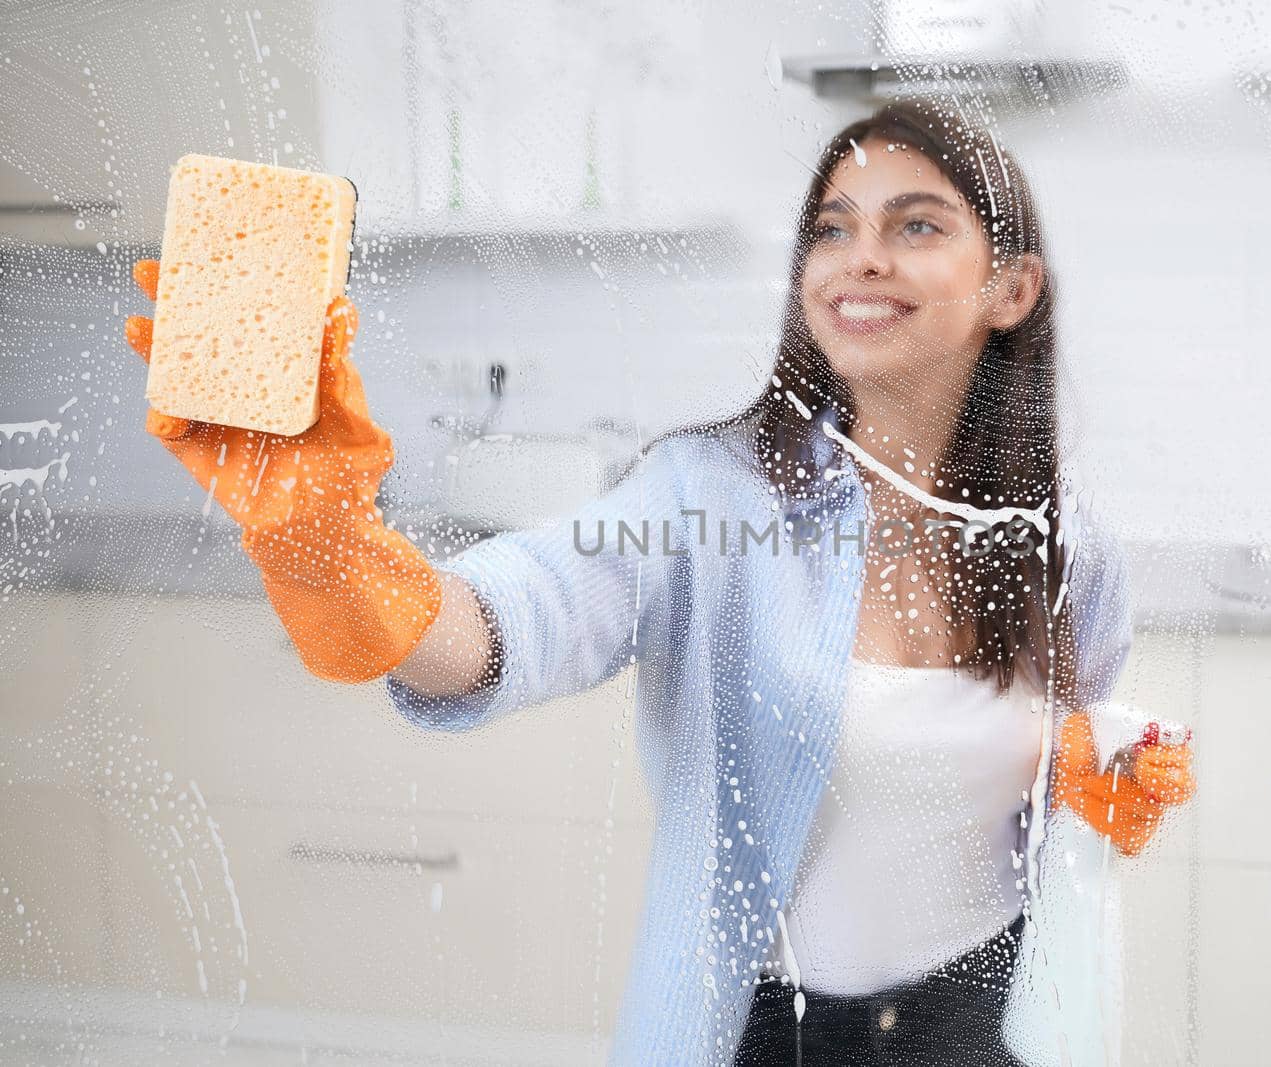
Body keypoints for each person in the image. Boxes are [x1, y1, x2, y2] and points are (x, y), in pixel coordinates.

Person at [124, 96, 1195, 1067]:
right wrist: (333, 551)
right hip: (772, 1035)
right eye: (832, 228)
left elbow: (1068, 749)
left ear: (1010, 287)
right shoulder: (708, 498)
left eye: (914, 224)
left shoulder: (1064, 545)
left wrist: (1104, 781)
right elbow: (512, 615)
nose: (859, 257)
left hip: (988, 1024)